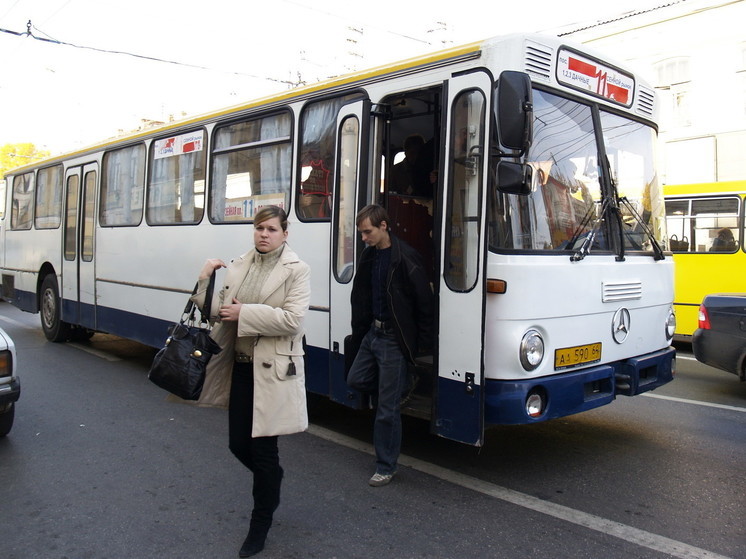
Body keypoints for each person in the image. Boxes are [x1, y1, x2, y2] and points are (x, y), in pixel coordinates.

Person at [192, 205, 310, 557]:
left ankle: (258, 527)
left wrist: (246, 312)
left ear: (284, 234)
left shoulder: (296, 270)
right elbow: (215, 311)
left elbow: (293, 320)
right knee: (237, 445)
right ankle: (271, 479)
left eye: (272, 229)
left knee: (262, 451)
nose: (264, 234)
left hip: (272, 372)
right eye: (259, 228)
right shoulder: (240, 264)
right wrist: (204, 279)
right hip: (240, 367)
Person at [346, 204, 433, 487]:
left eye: (367, 232)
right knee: (355, 379)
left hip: (393, 340)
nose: (363, 238)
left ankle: (386, 466)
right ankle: (400, 385)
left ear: (384, 226)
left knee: (386, 409)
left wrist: (419, 347)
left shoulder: (406, 257)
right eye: (361, 233)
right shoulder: (370, 255)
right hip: (372, 333)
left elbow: (424, 304)